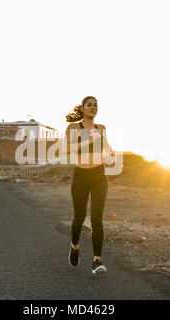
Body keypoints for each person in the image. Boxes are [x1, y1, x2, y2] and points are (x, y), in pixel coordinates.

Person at [64, 96, 115, 274]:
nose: (93, 107)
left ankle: (97, 261)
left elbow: (107, 147)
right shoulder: (73, 127)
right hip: (81, 176)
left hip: (99, 175)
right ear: (83, 108)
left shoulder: (102, 128)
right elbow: (68, 149)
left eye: (95, 105)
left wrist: (110, 154)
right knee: (79, 217)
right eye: (89, 105)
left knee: (96, 218)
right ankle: (75, 246)